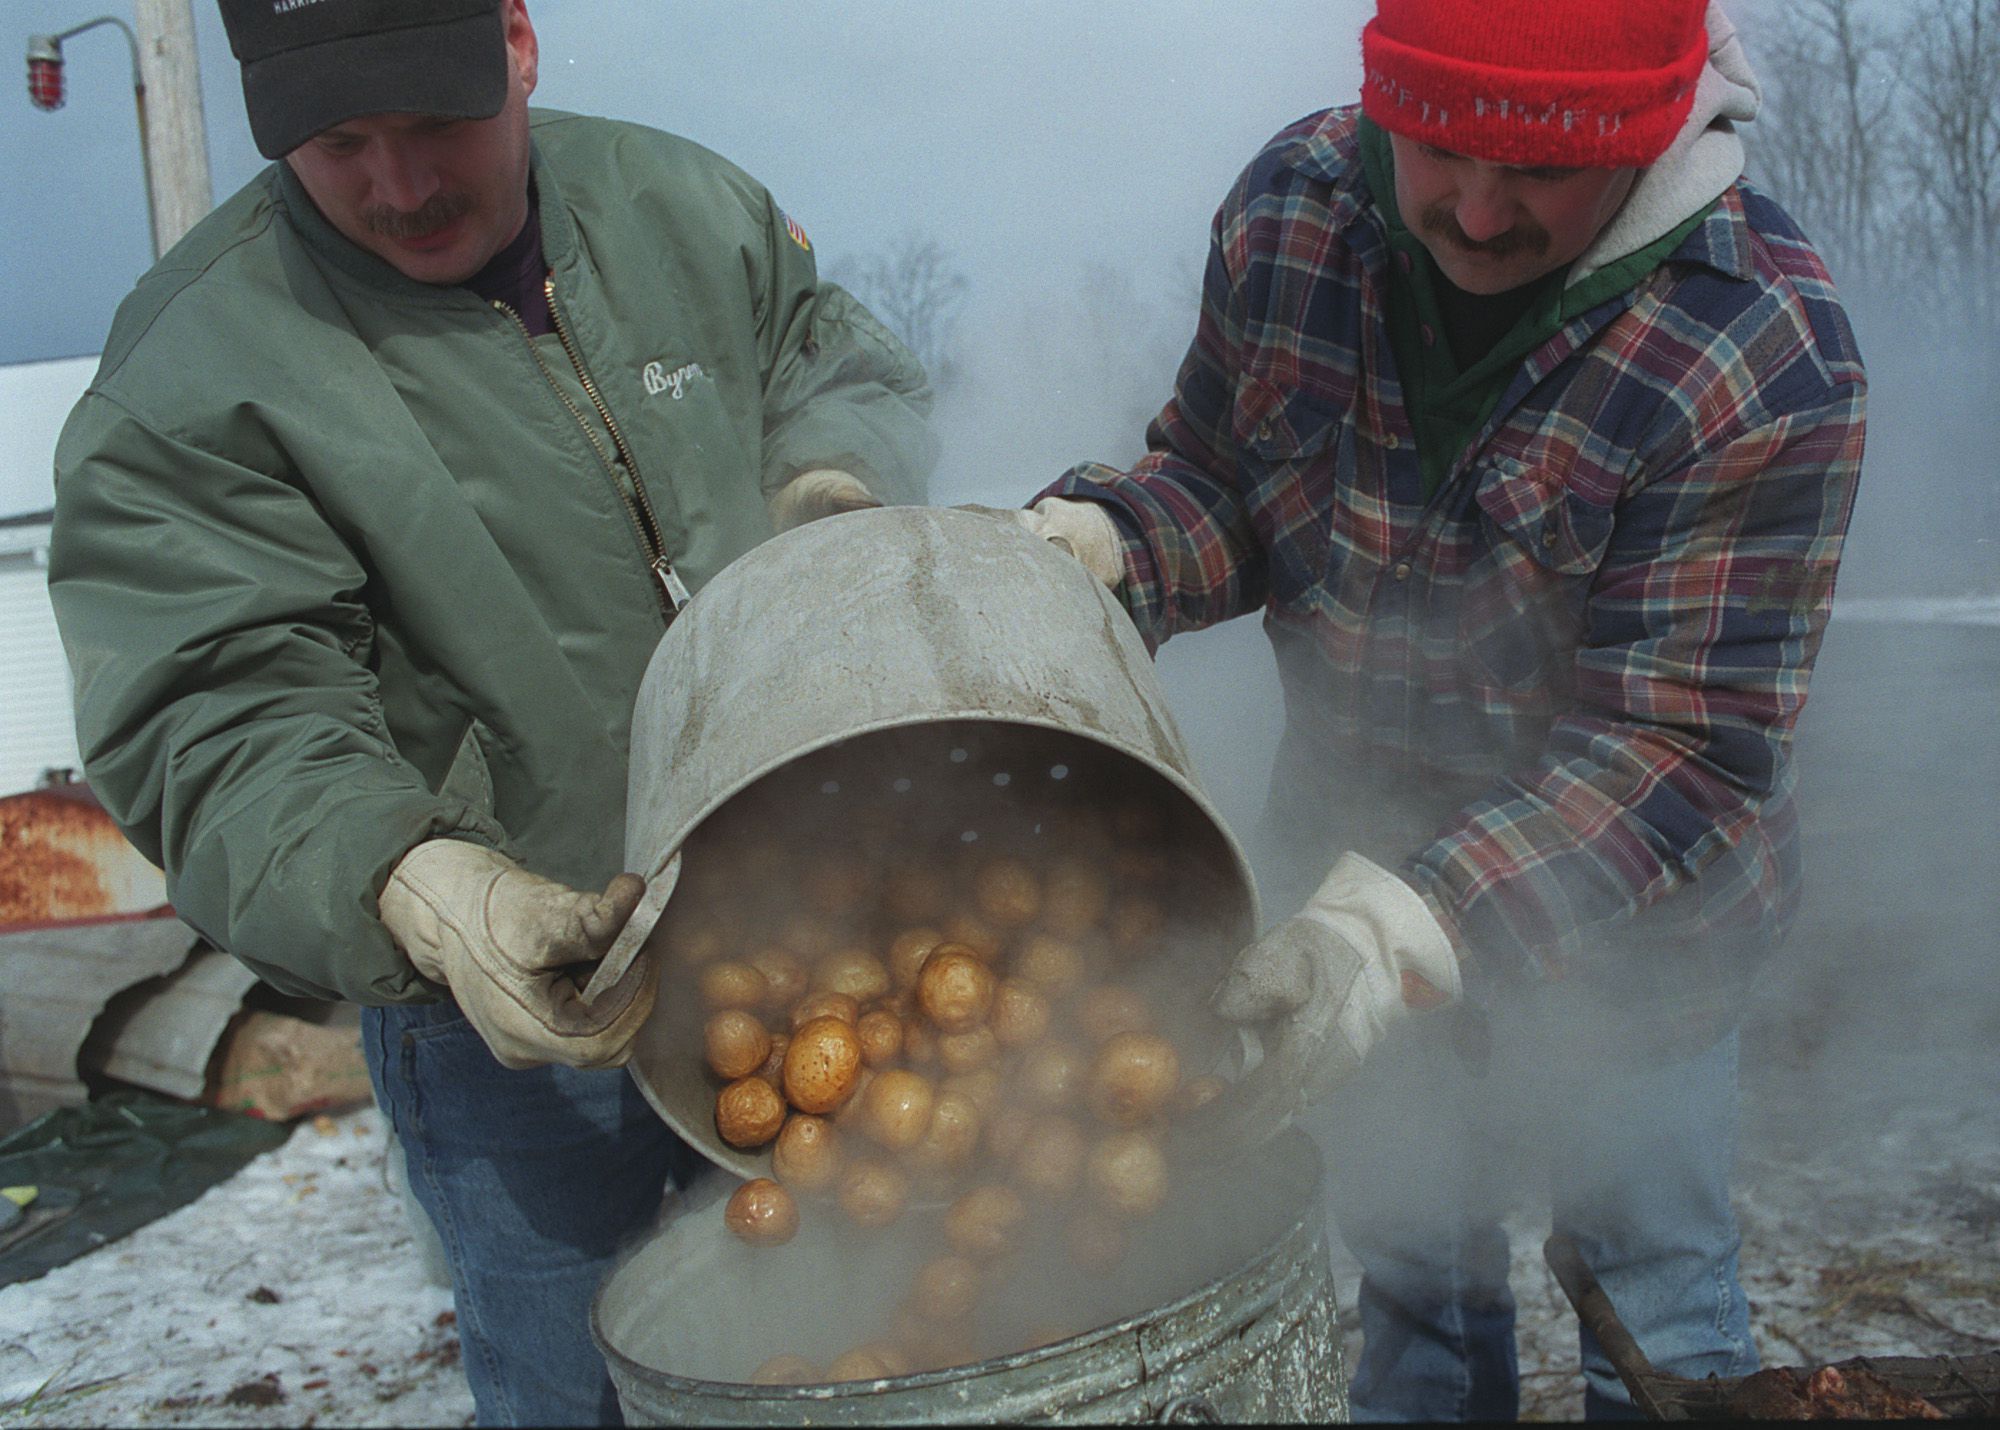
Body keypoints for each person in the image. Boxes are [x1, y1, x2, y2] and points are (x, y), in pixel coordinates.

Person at [47, 0, 932, 1422]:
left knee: (862, 1338)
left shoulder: (680, 210)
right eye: (341, 142)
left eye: (435, 121)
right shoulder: (198, 374)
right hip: (510, 1009)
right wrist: (412, 880)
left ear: (516, 42)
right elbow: (215, 709)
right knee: (571, 1376)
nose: (400, 187)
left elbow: (835, 360)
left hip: (801, 915)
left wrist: (833, 473)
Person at [1009, 0, 1865, 1418]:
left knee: (1652, 1285)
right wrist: (1119, 544)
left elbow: (1686, 744)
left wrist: (1409, 918)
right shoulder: (1296, 212)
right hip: (1346, 855)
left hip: (1638, 936)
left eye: (1539, 165)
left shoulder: (1754, 346)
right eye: (1441, 144)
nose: (1472, 211)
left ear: (1650, 128)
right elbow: (1227, 480)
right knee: (1410, 1269)